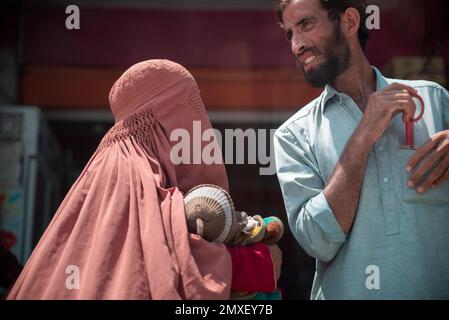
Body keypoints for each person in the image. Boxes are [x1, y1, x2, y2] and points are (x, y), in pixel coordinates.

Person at [7, 59, 281, 299]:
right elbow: (244, 268)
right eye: (191, 109)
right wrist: (262, 259)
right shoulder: (151, 193)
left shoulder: (91, 184)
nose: (200, 127)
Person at [273, 0, 449, 299]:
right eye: (289, 33)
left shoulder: (433, 101)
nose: (296, 45)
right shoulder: (293, 136)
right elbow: (316, 240)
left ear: (350, 22)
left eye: (305, 25)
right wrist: (365, 132)